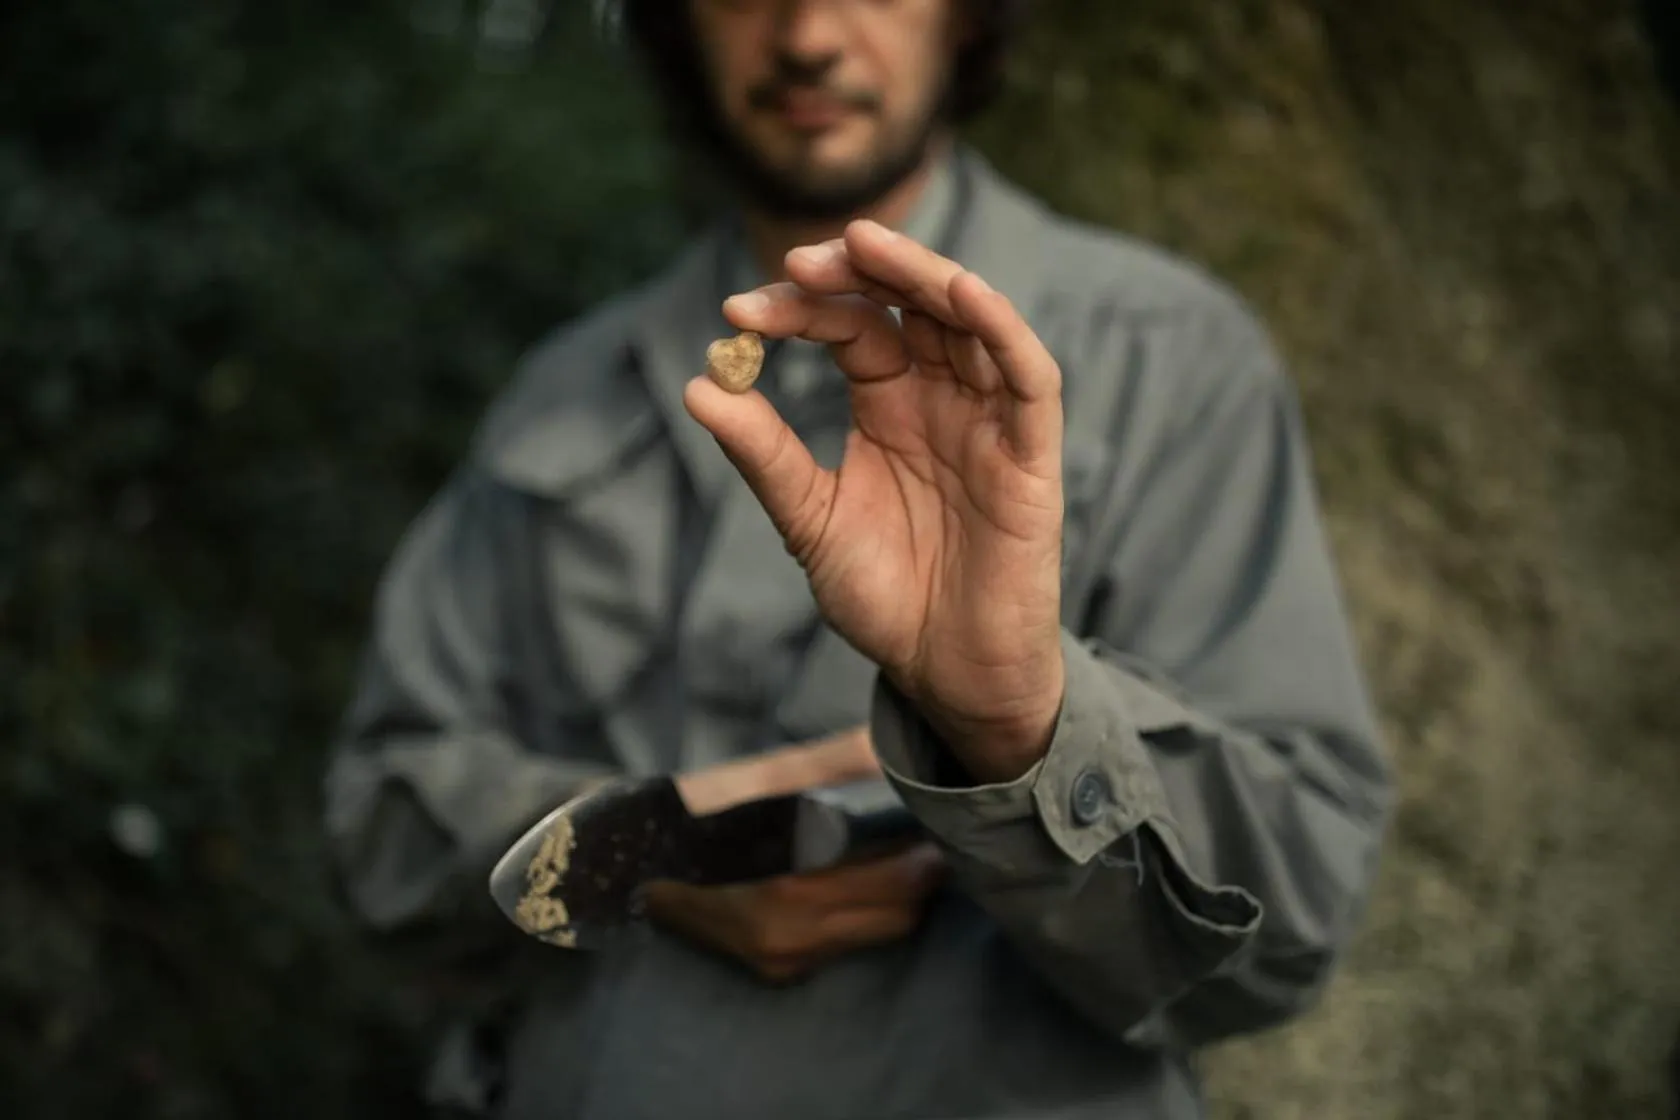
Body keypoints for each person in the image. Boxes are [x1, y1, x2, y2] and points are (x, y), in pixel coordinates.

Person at [323, 0, 1393, 1117]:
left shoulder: (1169, 361)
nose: (808, 35)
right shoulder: (563, 394)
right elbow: (376, 829)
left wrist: (1015, 720)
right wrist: (642, 845)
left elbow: (1287, 930)